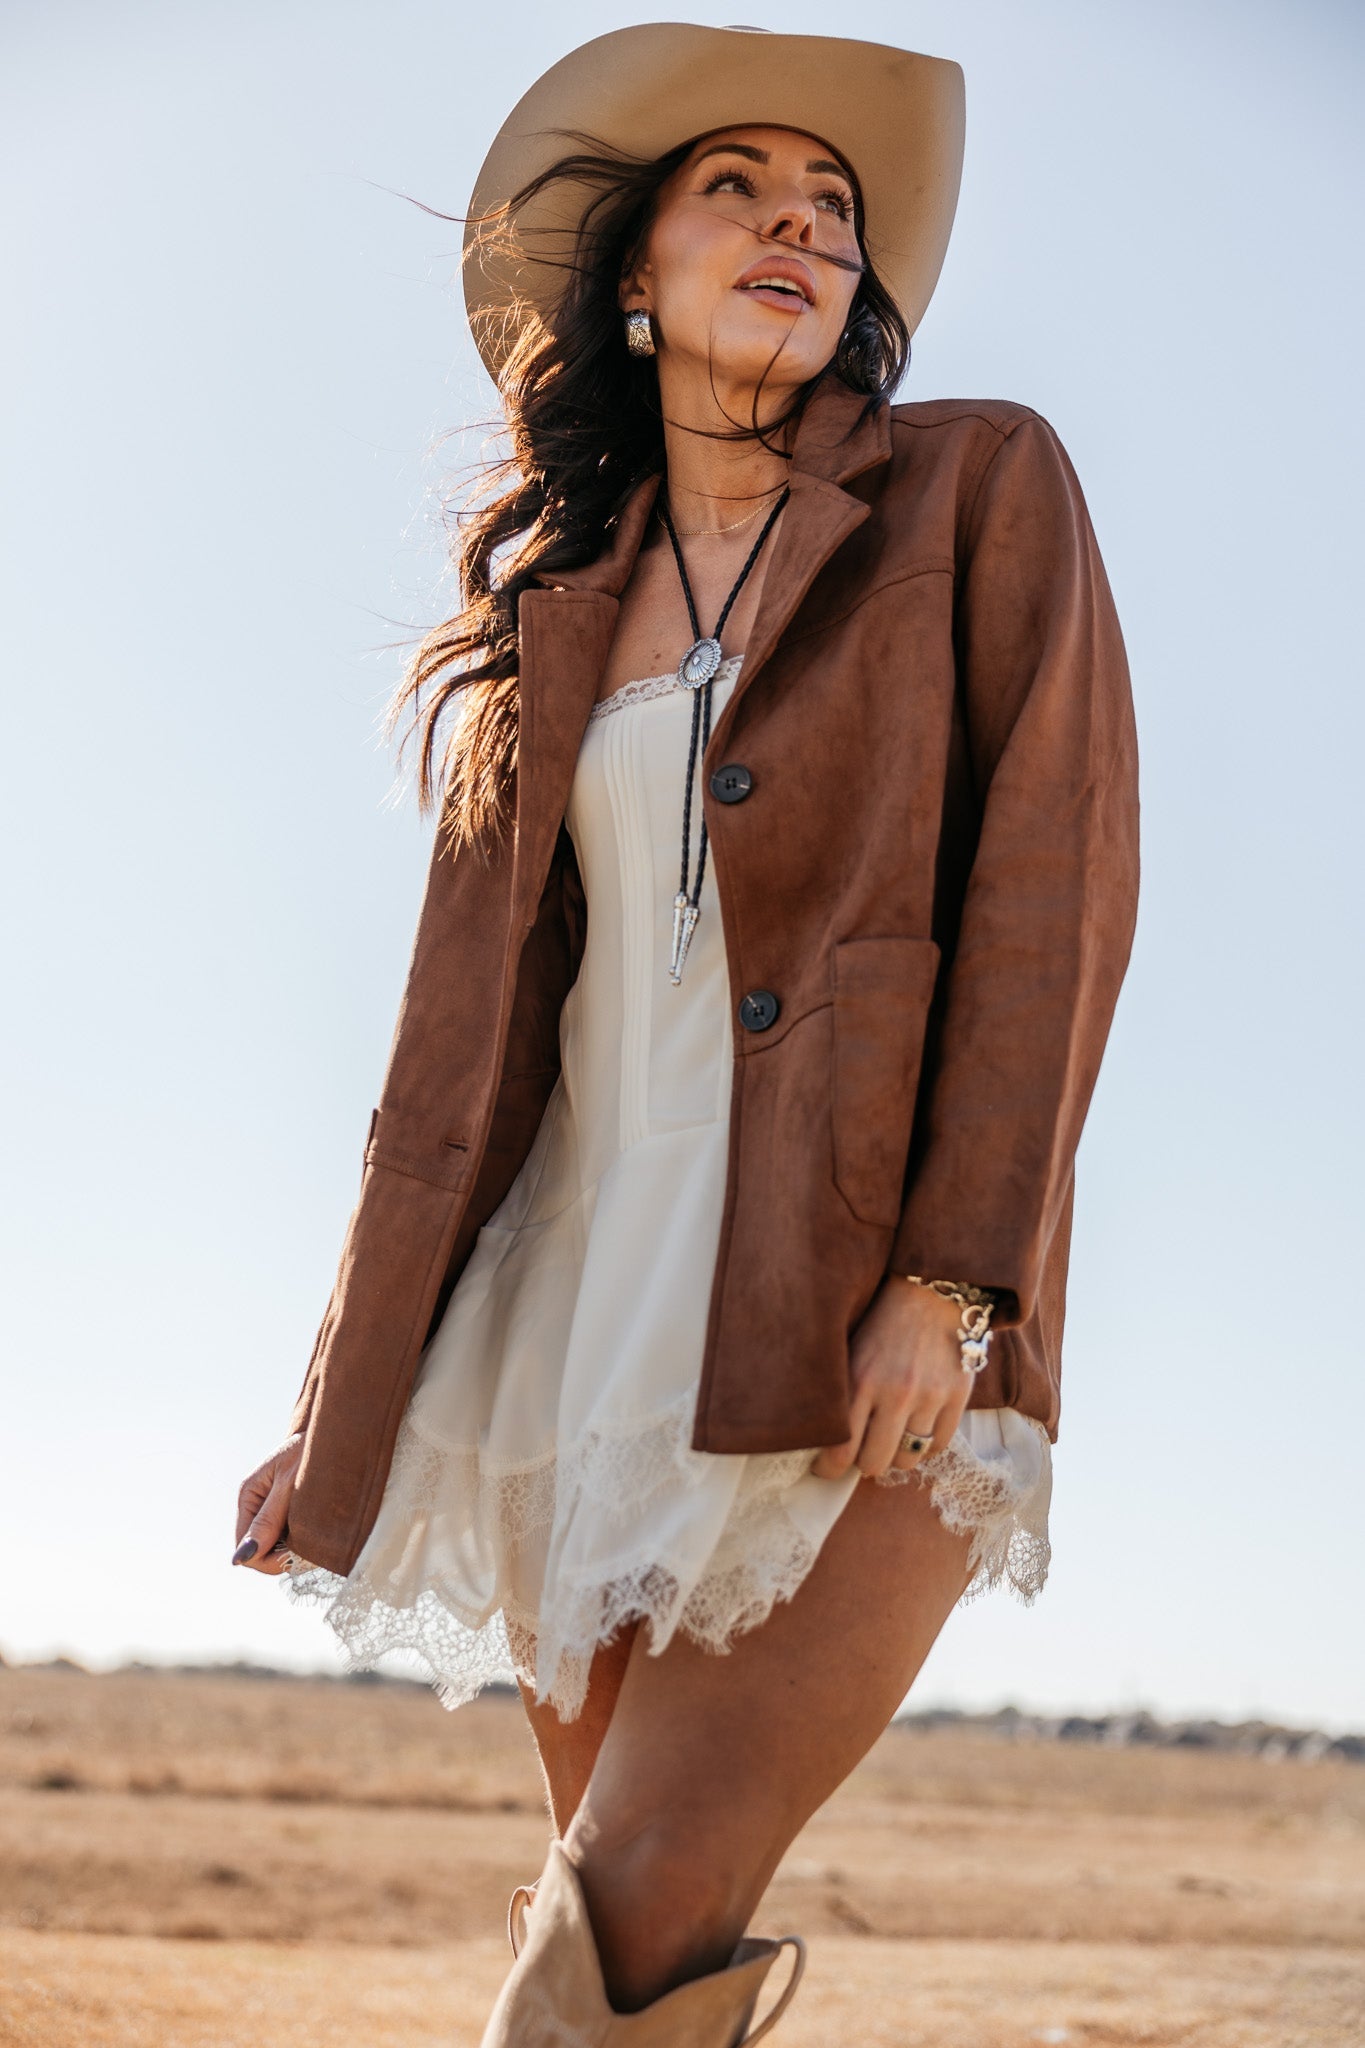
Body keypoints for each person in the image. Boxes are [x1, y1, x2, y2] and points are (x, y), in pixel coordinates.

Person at [232, 24, 1139, 2045]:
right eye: (740, 187)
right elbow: (458, 1065)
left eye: (832, 210)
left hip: (844, 1301)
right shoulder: (547, 618)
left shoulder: (975, 488)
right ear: (630, 276)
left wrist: (951, 1273)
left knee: (635, 1898)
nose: (800, 224)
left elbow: (1053, 895)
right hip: (564, 1321)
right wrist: (342, 1391)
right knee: (613, 1924)